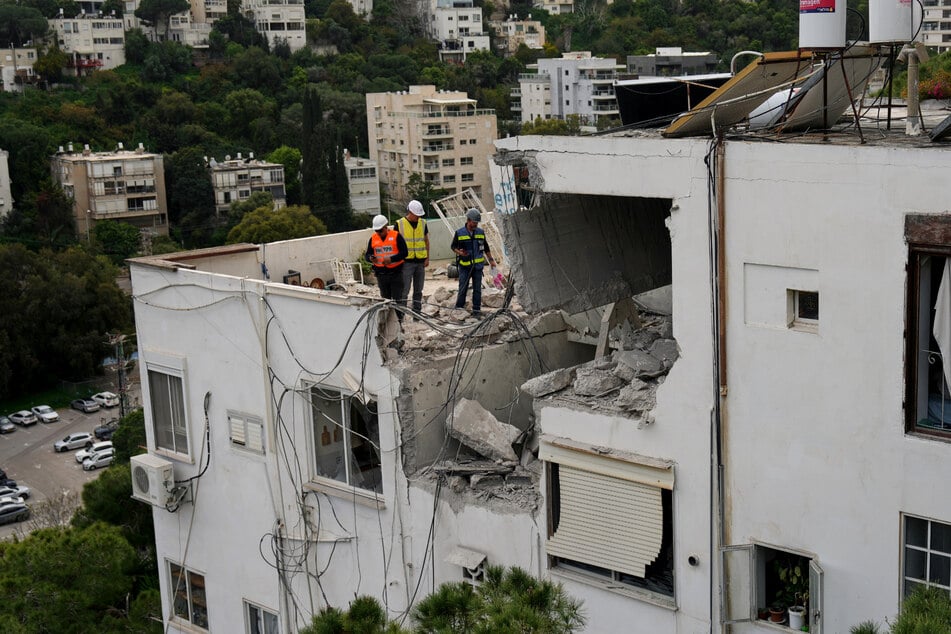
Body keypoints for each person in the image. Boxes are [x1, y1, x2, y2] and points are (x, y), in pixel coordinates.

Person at [451, 208, 496, 317]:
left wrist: (491, 260)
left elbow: (486, 247)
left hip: (477, 267)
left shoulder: (480, 232)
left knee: (477, 289)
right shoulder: (459, 233)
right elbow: (453, 246)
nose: (475, 224)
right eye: (473, 222)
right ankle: (459, 308)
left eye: (476, 223)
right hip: (465, 266)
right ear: (468, 220)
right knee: (463, 288)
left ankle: (476, 311)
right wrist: (460, 253)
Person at [366, 214, 408, 320]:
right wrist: (371, 258)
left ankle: (399, 321)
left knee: (398, 299)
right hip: (381, 275)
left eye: (380, 231)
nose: (379, 233)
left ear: (386, 227)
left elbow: (404, 253)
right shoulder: (373, 239)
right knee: (385, 300)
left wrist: (391, 259)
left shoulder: (396, 236)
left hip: (396, 274)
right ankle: (388, 322)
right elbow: (367, 254)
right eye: (377, 231)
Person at [396, 199, 429, 314]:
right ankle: (401, 314)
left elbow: (426, 241)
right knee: (404, 290)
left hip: (420, 261)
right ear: (410, 212)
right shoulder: (399, 224)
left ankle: (417, 313)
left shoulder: (423, 223)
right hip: (406, 262)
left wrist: (427, 257)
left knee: (418, 290)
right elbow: (395, 244)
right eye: (417, 215)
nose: (418, 217)